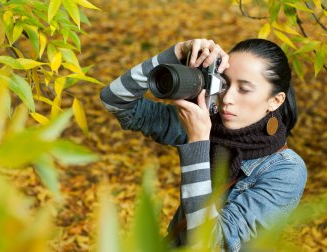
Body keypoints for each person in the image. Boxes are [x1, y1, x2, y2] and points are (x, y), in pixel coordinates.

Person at [99, 38, 307, 251]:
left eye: (244, 89)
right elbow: (114, 100)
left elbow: (207, 242)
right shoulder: (205, 123)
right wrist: (176, 53)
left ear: (276, 100)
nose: (227, 98)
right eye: (224, 83)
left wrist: (198, 142)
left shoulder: (286, 170)